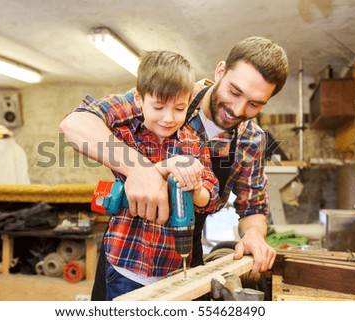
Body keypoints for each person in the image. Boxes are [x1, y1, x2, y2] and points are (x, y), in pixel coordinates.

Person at [60, 36, 289, 300]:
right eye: (235, 92)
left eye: (255, 103)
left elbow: (253, 208)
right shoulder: (171, 94)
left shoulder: (251, 139)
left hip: (182, 252)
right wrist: (141, 170)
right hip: (126, 251)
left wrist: (254, 235)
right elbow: (76, 123)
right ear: (220, 71)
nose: (238, 109)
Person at [66, 50, 220, 300]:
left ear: (189, 101)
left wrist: (196, 189)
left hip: (173, 268)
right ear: (138, 99)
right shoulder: (125, 136)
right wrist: (165, 167)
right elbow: (78, 122)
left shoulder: (194, 144)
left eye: (179, 108)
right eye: (158, 107)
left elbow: (212, 199)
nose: (168, 118)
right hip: (126, 265)